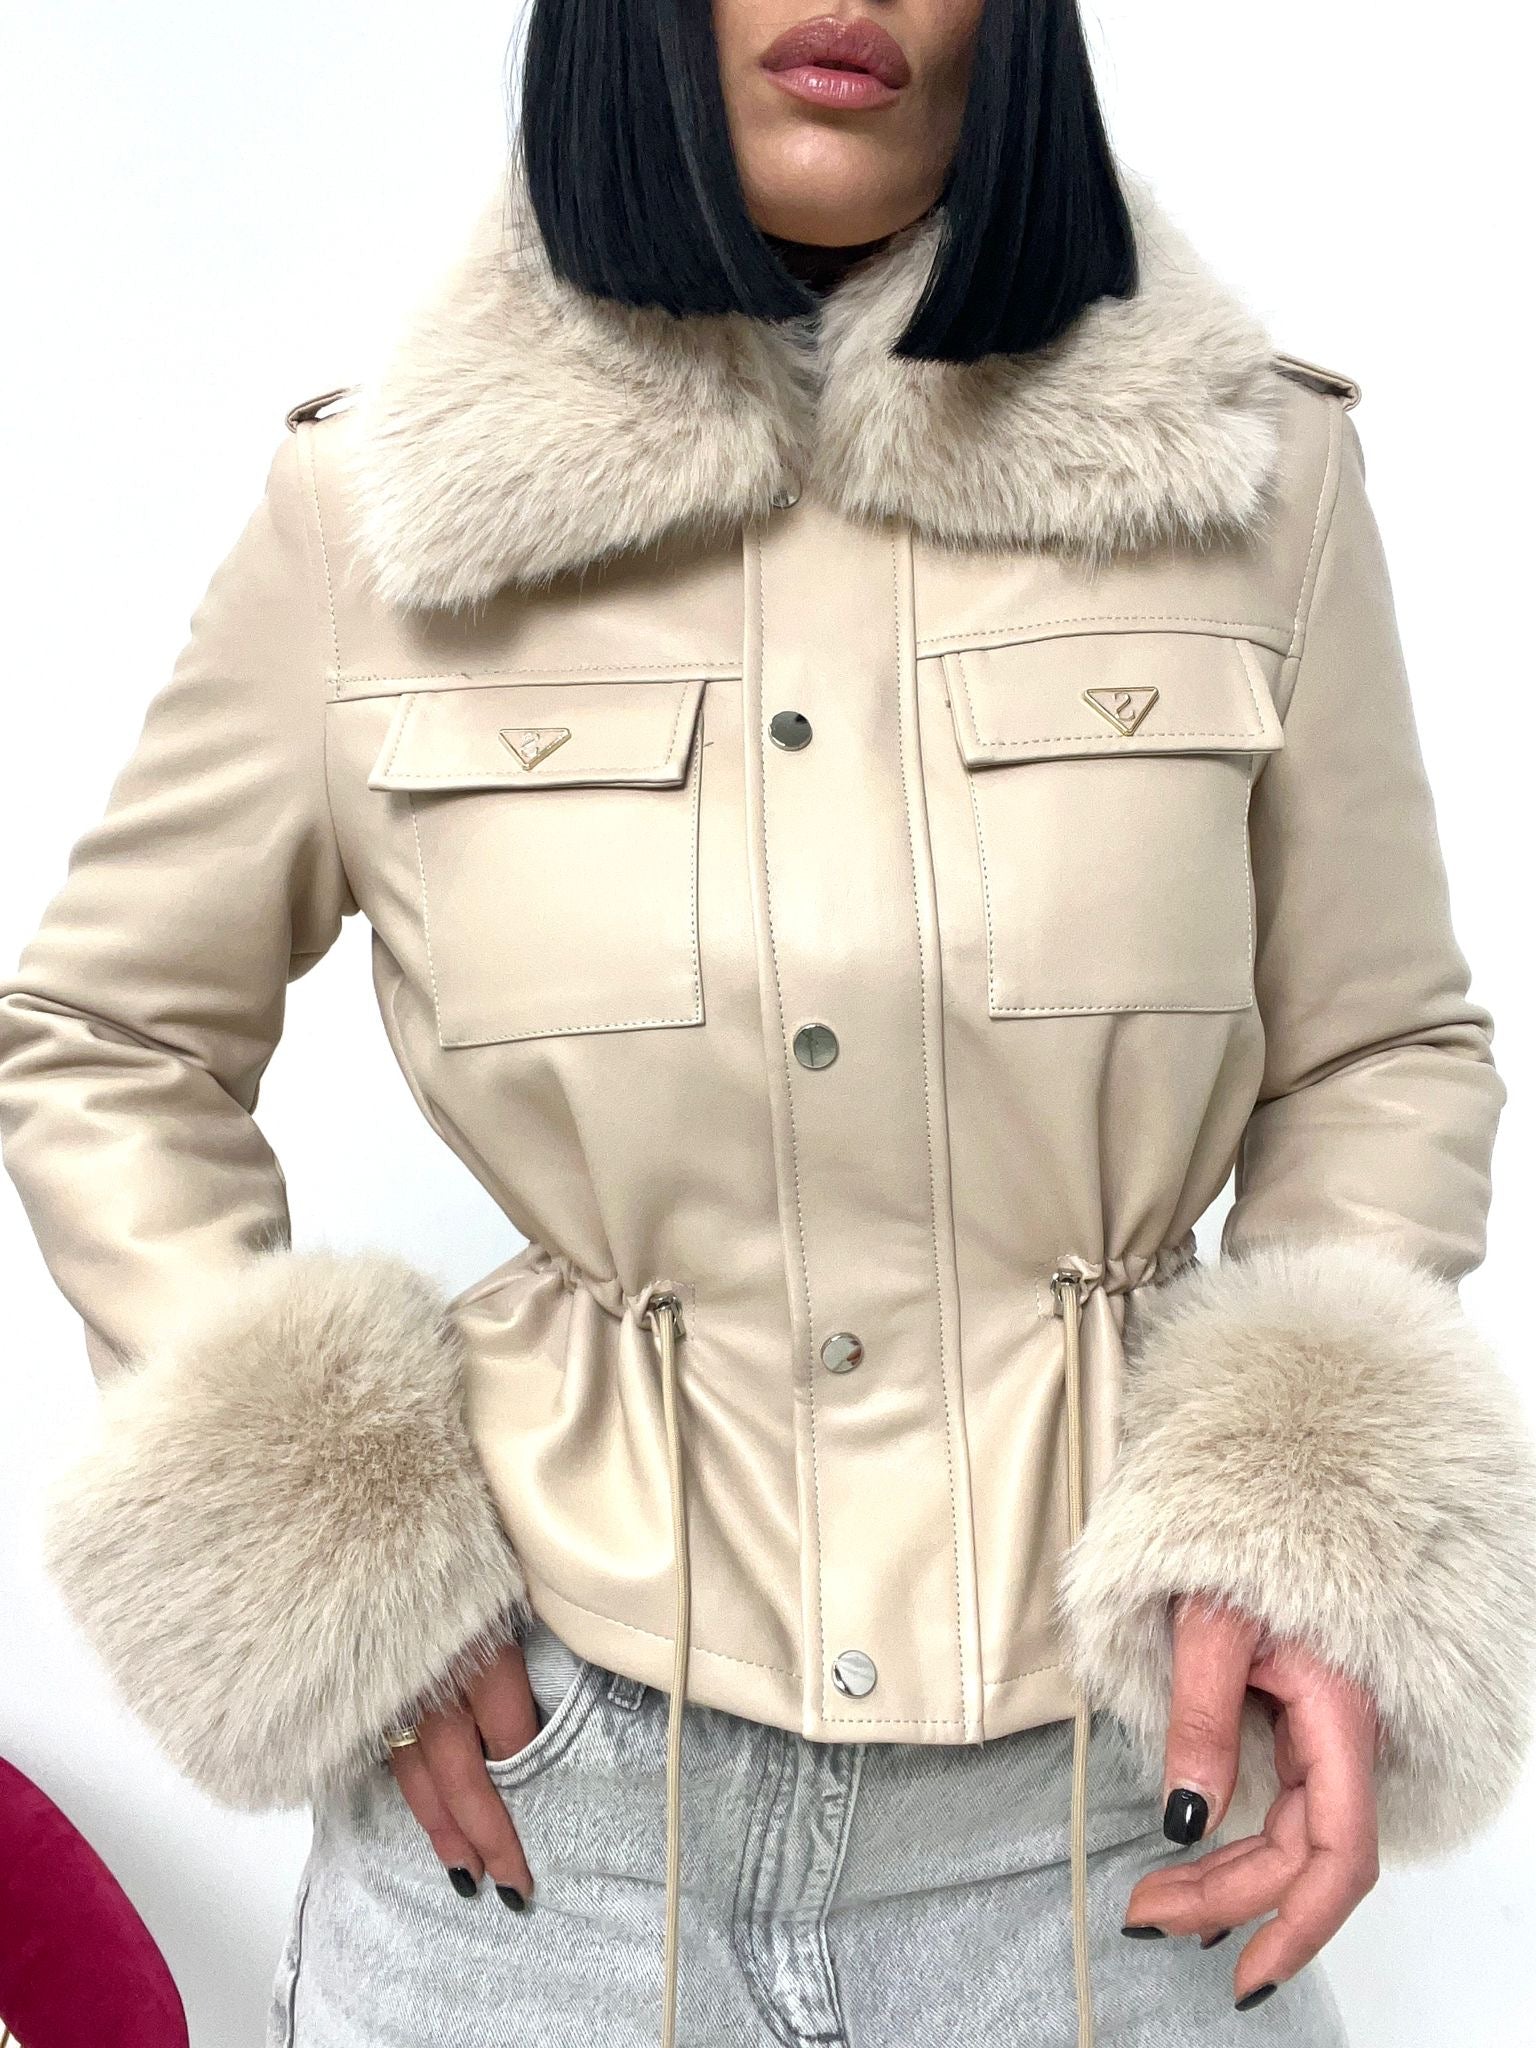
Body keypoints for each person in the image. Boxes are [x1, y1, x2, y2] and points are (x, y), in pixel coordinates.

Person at [2, 4, 1533, 2045]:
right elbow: (107, 1033)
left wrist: (1304, 1532)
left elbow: (1375, 1050)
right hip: (545, 1839)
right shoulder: (372, 511)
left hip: (1107, 1823)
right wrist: (315, 1548)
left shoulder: (1257, 479)